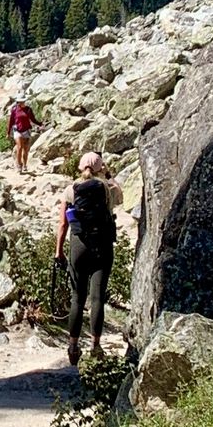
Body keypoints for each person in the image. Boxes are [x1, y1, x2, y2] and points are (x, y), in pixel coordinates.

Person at [53, 150, 121, 367]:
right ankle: (96, 346)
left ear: (80, 168)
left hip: (78, 245)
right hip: (102, 245)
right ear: (101, 167)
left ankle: (73, 347)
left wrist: (58, 252)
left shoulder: (70, 190)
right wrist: (109, 174)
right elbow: (121, 196)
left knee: (77, 298)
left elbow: (63, 224)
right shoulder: (107, 188)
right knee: (97, 298)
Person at [7, 96, 36, 173]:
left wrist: (40, 124)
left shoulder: (28, 110)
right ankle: (19, 165)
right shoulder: (14, 110)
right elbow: (11, 121)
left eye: (22, 101)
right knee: (19, 147)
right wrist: (8, 132)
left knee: (25, 150)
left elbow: (33, 119)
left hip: (26, 130)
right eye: (19, 102)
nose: (21, 103)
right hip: (17, 130)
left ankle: (25, 165)